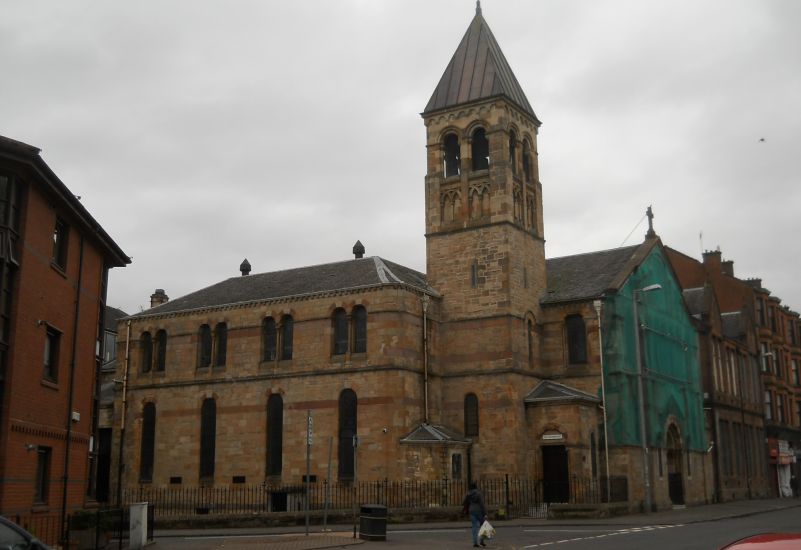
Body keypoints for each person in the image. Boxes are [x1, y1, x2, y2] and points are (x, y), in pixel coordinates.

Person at [462, 481, 487, 547]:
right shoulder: (478, 494)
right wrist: (485, 513)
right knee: (483, 525)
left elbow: (463, 502)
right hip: (479, 511)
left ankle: (475, 542)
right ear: (476, 487)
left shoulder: (468, 494)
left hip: (471, 511)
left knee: (474, 527)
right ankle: (481, 541)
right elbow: (482, 504)